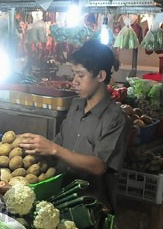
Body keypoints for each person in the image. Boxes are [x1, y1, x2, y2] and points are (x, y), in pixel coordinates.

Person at [19, 40, 131, 211]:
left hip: (91, 208)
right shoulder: (75, 106)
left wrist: (53, 148)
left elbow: (98, 166)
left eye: (80, 75)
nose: (74, 81)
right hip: (60, 200)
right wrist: (32, 147)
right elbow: (58, 146)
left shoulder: (115, 118)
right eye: (74, 74)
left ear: (100, 76)